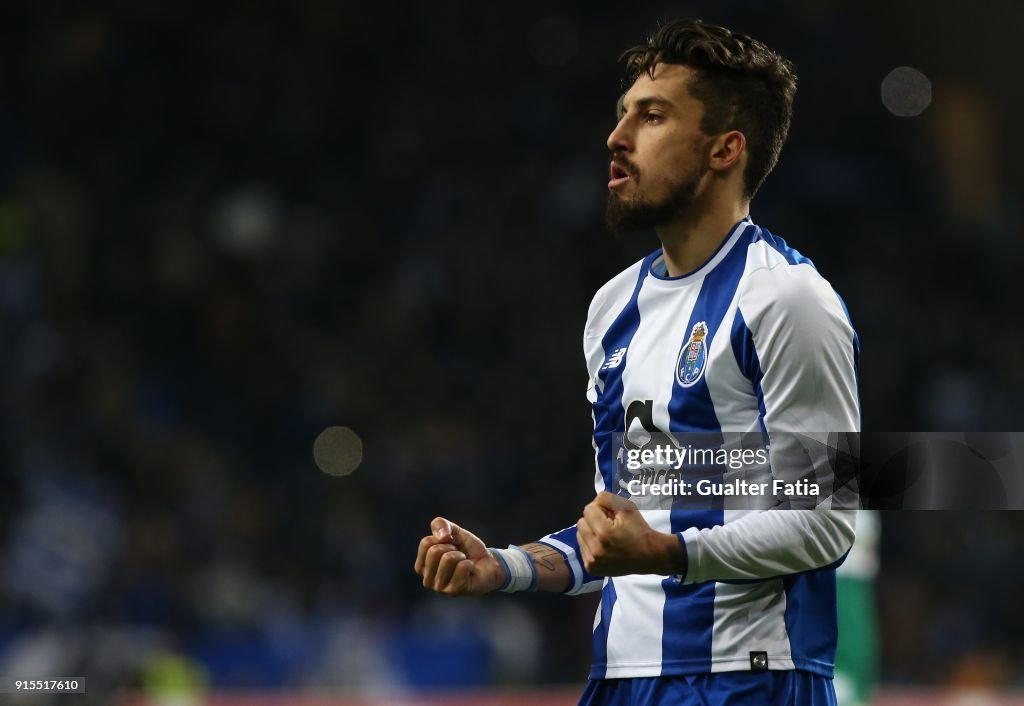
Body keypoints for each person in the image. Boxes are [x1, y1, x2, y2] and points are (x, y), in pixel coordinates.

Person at [414, 18, 860, 706]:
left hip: (749, 681)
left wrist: (672, 554)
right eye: (623, 115)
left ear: (725, 150)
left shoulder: (788, 300)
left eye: (652, 117)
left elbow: (826, 522)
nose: (616, 138)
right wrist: (501, 568)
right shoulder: (612, 309)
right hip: (621, 682)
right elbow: (620, 527)